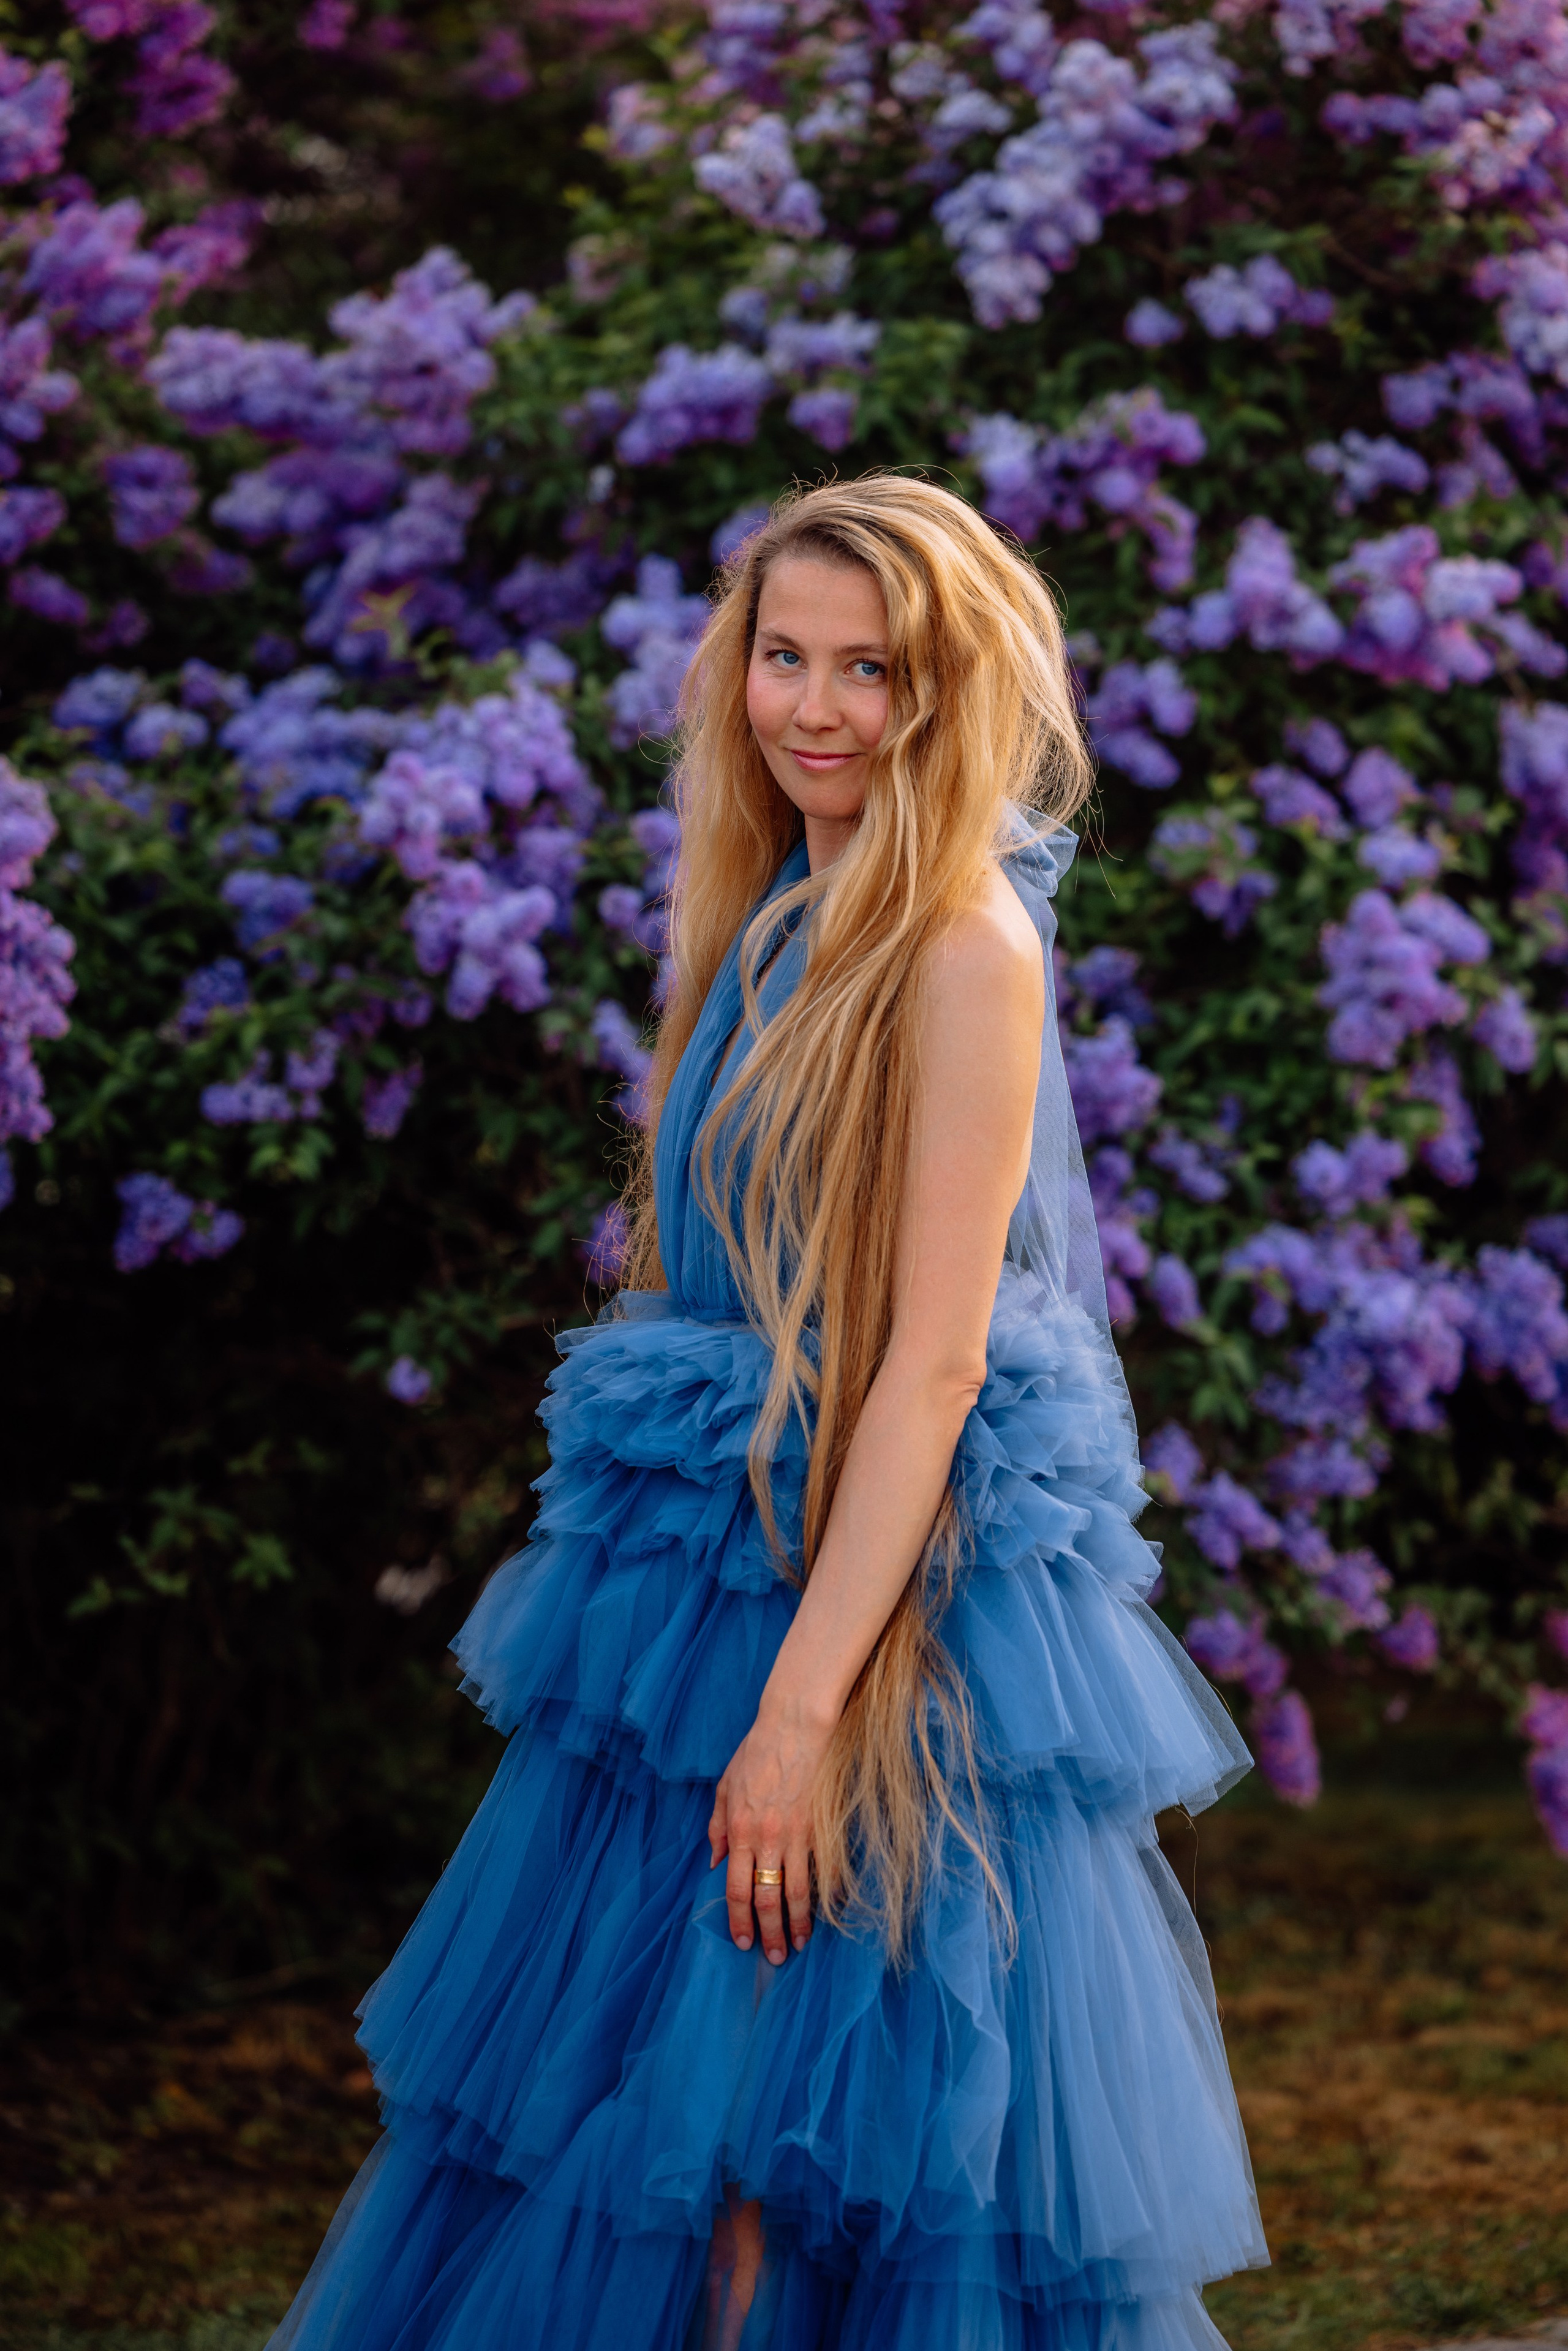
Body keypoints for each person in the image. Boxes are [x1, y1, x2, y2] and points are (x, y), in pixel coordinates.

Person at [269, 475, 1267, 2351]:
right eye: (779, 656)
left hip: (864, 1604)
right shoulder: (772, 914)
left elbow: (937, 1362)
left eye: (866, 669)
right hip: (705, 1579)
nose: (809, 707)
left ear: (950, 691)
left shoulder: (965, 947)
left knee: (770, 2156)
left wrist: (801, 1717)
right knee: (643, 2124)